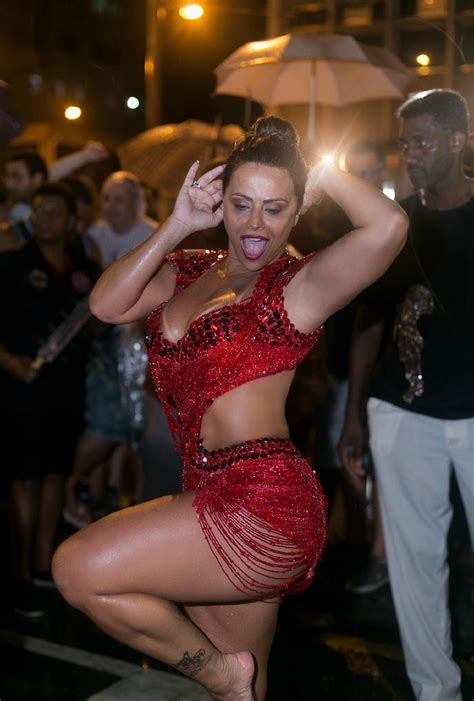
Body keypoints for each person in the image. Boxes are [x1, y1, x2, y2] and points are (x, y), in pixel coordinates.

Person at [52, 116, 407, 700]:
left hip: (263, 501)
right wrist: (177, 225)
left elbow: (389, 226)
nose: (255, 223)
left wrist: (320, 168)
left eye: (275, 207)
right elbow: (107, 303)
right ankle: (228, 680)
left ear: (298, 210)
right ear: (220, 202)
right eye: (242, 203)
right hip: (203, 490)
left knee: (78, 567)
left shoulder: (300, 285)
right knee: (242, 694)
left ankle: (222, 673)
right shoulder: (191, 269)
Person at [338, 89, 474, 701]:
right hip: (402, 409)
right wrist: (353, 418)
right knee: (416, 566)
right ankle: (434, 691)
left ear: (457, 141)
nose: (410, 155)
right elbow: (369, 321)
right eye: (405, 143)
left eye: (422, 142)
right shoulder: (397, 224)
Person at [0, 183, 99, 616]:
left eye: (53, 213)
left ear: (72, 220)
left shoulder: (85, 270)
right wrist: (9, 363)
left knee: (57, 474)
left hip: (66, 391)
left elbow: (100, 325)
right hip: (20, 390)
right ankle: (18, 576)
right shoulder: (10, 264)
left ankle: (44, 568)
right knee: (25, 479)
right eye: (38, 212)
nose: (44, 219)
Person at [336, 140, 390, 594]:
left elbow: (371, 318)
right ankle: (352, 543)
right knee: (339, 462)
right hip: (327, 364)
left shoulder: (389, 227)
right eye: (352, 172)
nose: (361, 181)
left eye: (369, 172)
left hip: (380, 373)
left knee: (369, 463)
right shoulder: (323, 224)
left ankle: (372, 550)